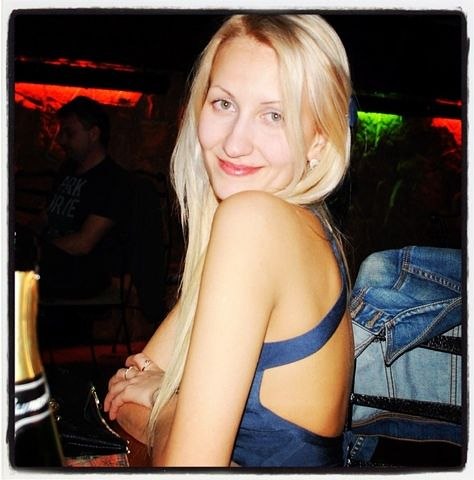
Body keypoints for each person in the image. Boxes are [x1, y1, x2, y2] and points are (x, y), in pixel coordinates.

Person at [104, 14, 354, 467]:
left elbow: (187, 463)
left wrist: (162, 402)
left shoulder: (254, 223)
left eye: (274, 115)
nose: (235, 143)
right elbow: (127, 386)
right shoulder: (299, 229)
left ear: (319, 140)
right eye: (223, 103)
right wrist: (160, 398)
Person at [36, 96, 131, 298]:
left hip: (83, 275)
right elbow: (45, 217)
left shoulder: (114, 180)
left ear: (93, 134)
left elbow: (83, 243)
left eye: (69, 133)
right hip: (51, 266)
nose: (61, 140)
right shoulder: (67, 169)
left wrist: (37, 250)